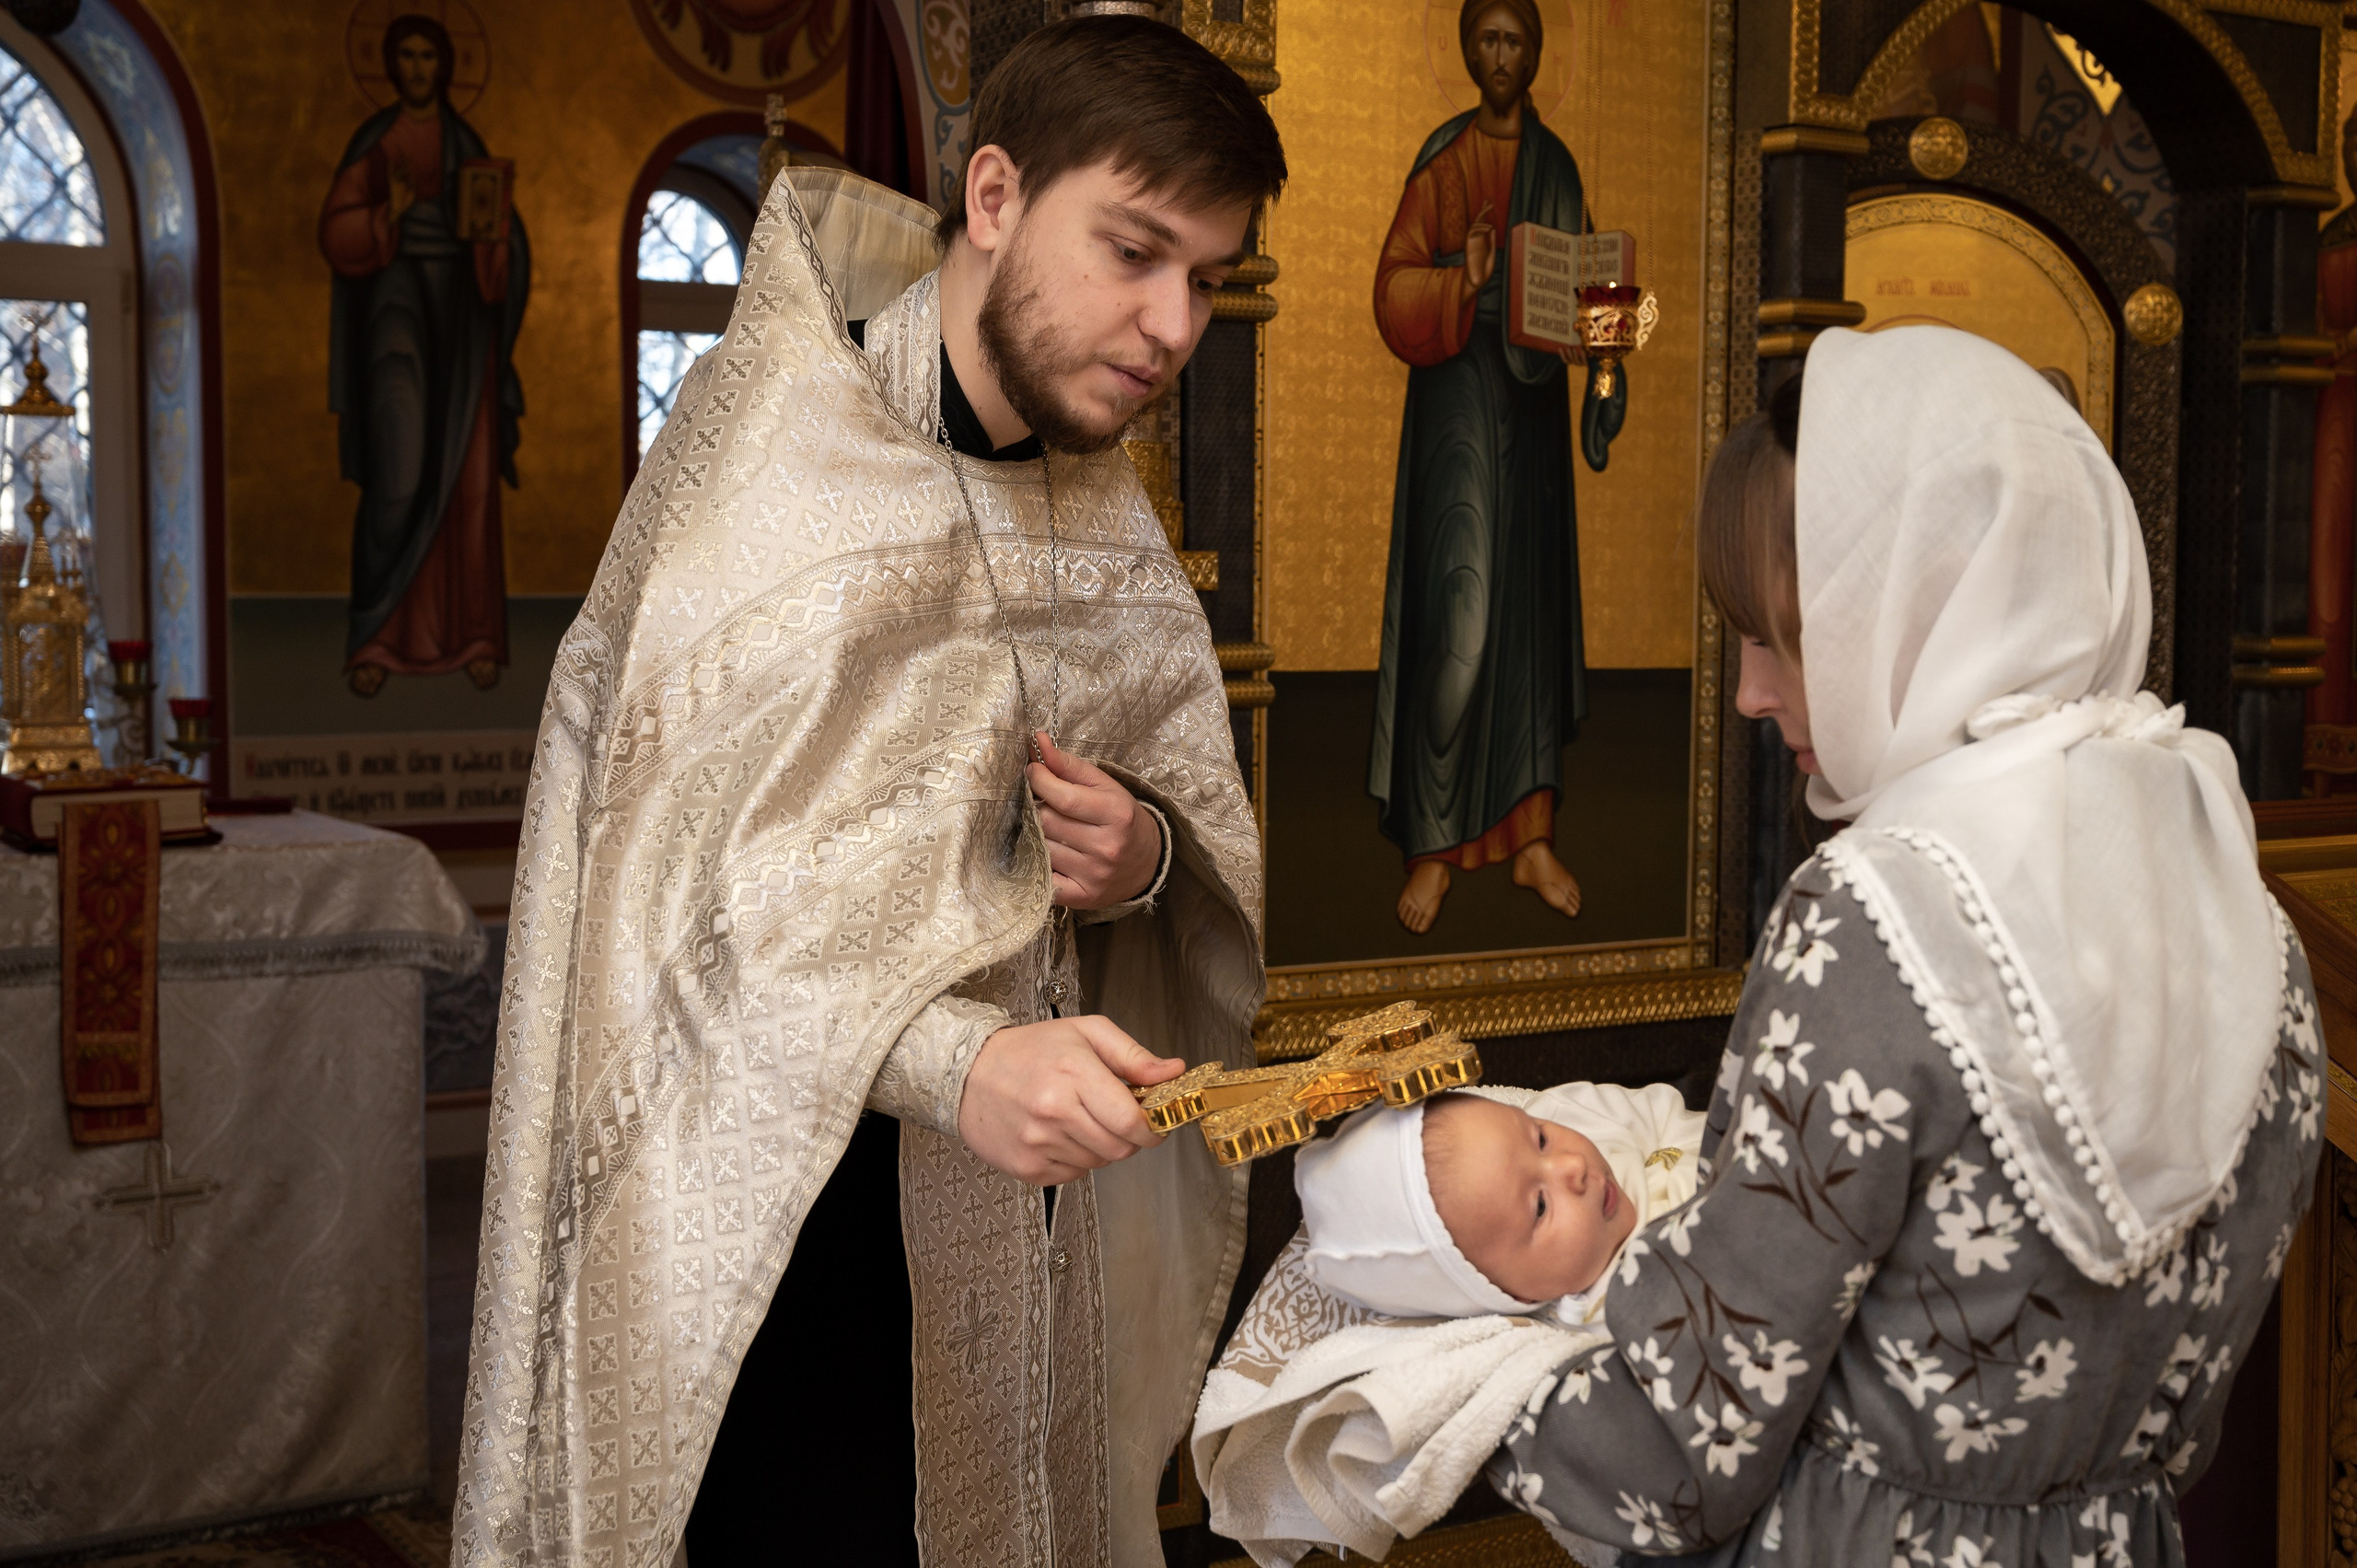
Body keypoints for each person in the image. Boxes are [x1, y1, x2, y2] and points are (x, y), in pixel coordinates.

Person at [450, 18, 1284, 1568]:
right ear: (990, 197)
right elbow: (675, 910)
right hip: (786, 1231)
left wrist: (1149, 850)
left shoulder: (1099, 500)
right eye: (1134, 250)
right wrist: (954, 1055)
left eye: (1209, 278)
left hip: (1032, 1230)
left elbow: (1176, 779)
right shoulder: (769, 465)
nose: (1172, 324)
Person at [1485, 327, 2324, 1562]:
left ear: (1924, 606)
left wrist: (1444, 1402)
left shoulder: (1883, 913)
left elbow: (1692, 1444)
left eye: (1790, 633)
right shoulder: (2245, 910)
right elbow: (2182, 1399)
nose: (1753, 692)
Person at [1368, 0, 1626, 935]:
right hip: (1456, 402)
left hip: (1532, 407)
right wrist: (1466, 279)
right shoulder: (1444, 156)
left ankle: (1531, 840)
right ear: (1470, 50)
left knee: (1525, 620)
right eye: (1489, 40)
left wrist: (1604, 339)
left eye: (1519, 41)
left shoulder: (1554, 164)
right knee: (1461, 613)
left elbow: (1591, 286)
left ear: (1536, 52)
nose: (1504, 56)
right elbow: (1393, 286)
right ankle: (1432, 848)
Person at [319, 14, 528, 697]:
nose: (416, 69)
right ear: (390, 64)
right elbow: (338, 233)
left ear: (442, 67)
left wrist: (493, 235)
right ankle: (377, 634)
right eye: (405, 57)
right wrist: (390, 211)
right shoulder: (376, 146)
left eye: (427, 57)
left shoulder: (465, 143)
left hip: (462, 323)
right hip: (396, 316)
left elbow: (505, 249)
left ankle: (473, 636)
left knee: (468, 484)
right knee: (399, 472)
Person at [1295, 1081, 1702, 1323]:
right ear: (1510, 1297)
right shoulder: (1615, 1308)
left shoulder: (1578, 1116)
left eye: (1541, 1137)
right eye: (1540, 1207)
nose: (1572, 1165)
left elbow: (1670, 1112)